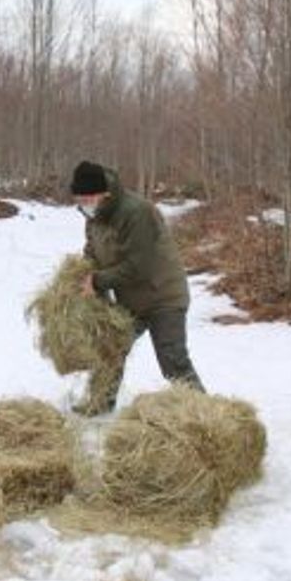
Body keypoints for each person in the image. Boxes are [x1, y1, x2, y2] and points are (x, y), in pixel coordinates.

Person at [71, 160, 204, 416]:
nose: (84, 204)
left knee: (172, 360)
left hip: (163, 295)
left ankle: (206, 415)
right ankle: (100, 403)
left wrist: (97, 281)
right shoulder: (94, 217)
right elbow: (92, 251)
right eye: (80, 199)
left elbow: (138, 265)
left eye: (88, 198)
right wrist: (81, 273)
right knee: (110, 349)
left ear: (104, 193)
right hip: (131, 299)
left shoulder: (137, 212)